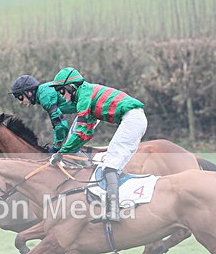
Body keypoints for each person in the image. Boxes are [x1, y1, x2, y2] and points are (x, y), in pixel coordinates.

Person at [47, 67, 147, 222]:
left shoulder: (85, 95)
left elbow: (80, 132)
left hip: (132, 119)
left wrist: (61, 152)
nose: (64, 98)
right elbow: (85, 131)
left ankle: (113, 212)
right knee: (110, 164)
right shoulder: (86, 94)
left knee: (110, 165)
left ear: (71, 87)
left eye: (62, 92)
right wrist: (67, 150)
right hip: (133, 118)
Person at [8, 74, 75, 152]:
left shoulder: (44, 96)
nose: (21, 102)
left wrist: (56, 147)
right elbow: (60, 124)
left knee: (73, 142)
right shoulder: (43, 93)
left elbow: (60, 124)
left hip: (88, 107)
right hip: (86, 108)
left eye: (20, 97)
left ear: (29, 92)